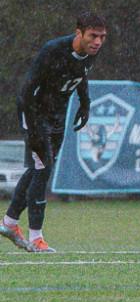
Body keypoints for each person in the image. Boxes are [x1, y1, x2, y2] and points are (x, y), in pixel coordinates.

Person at [2, 14, 106, 253]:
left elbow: (81, 74)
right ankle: (36, 238)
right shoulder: (53, 50)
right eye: (93, 35)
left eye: (102, 37)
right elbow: (28, 89)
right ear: (78, 33)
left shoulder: (91, 52)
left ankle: (9, 224)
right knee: (44, 168)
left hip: (57, 116)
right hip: (35, 112)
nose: (98, 41)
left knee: (38, 169)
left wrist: (85, 102)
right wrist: (33, 127)